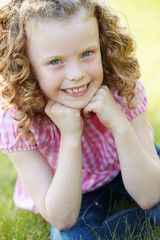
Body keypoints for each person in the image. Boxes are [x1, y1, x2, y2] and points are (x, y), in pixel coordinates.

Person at [0, 0, 160, 239]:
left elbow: (150, 195)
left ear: (102, 46)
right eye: (55, 61)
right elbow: (62, 218)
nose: (77, 75)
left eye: (87, 54)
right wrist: (71, 135)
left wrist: (118, 123)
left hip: (129, 161)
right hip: (69, 186)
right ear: (25, 66)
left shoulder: (122, 88)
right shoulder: (18, 121)